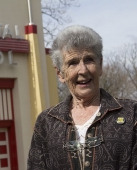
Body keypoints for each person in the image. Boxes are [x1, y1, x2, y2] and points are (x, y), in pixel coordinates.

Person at [27, 25, 137, 170]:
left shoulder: (131, 114)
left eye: (89, 60)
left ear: (101, 64)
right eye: (72, 63)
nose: (83, 70)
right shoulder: (46, 122)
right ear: (60, 73)